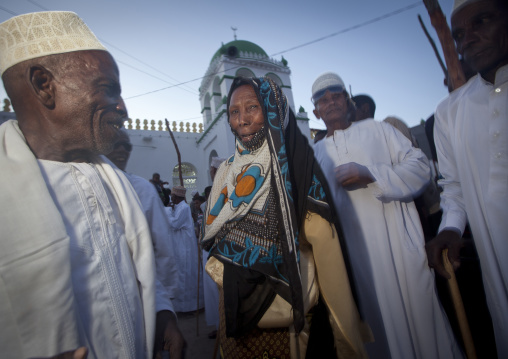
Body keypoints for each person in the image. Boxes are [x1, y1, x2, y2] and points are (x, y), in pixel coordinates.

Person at [0, 11, 184, 359]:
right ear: (44, 84)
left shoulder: (111, 181)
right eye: (108, 89)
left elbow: (132, 269)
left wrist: (161, 313)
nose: (123, 107)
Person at [201, 76, 370, 359]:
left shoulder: (294, 170)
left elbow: (328, 257)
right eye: (234, 111)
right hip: (231, 319)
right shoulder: (228, 172)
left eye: (252, 107)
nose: (241, 120)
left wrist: (346, 342)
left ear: (273, 112)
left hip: (284, 329)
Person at [311, 71, 462, 359]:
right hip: (354, 262)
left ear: (347, 100)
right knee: (375, 334)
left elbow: (421, 168)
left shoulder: (378, 130)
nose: (330, 103)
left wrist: (372, 175)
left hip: (399, 251)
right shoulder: (315, 155)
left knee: (421, 324)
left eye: (336, 95)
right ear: (315, 110)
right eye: (323, 100)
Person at [425, 0, 508, 357]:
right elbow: (453, 187)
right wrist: (451, 229)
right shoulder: (449, 111)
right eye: (458, 34)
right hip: (496, 259)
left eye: (482, 21)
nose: (468, 39)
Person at [105, 129, 182, 346]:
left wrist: (163, 306)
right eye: (116, 144)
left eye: (127, 146)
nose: (121, 150)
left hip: (138, 299)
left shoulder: (142, 189)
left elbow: (161, 250)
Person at [166, 185, 204, 312]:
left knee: (185, 273)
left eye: (172, 196)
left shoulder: (183, 208)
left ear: (176, 197)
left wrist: (166, 212)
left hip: (185, 246)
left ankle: (188, 306)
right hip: (179, 244)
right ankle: (180, 306)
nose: (171, 198)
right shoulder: (178, 207)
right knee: (180, 272)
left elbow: (175, 224)